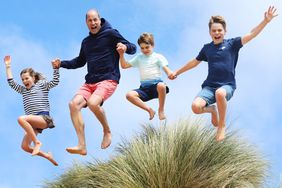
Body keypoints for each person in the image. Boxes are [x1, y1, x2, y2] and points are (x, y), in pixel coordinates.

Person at [169, 6, 278, 141]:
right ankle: (212, 110)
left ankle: (222, 125)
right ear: (210, 32)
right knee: (195, 107)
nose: (217, 32)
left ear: (225, 31)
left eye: (219, 30)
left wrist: (265, 21)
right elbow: (194, 62)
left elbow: (252, 33)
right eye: (214, 30)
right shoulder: (207, 48)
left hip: (227, 85)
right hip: (209, 87)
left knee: (220, 93)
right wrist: (177, 72)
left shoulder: (232, 44)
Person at [52, 9, 136, 155]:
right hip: (90, 82)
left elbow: (133, 48)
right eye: (90, 20)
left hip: (108, 78)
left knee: (93, 103)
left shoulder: (110, 34)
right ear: (86, 23)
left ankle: (107, 131)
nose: (93, 23)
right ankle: (82, 146)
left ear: (99, 20)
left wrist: (124, 47)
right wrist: (61, 64)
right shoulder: (86, 42)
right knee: (73, 105)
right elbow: (79, 62)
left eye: (95, 20)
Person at [4, 55, 60, 166]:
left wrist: (56, 69)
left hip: (44, 118)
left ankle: (37, 142)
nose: (24, 81)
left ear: (33, 78)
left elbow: (55, 82)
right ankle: (47, 155)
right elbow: (11, 82)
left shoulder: (41, 85)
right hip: (34, 123)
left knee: (21, 119)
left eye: (27, 78)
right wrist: (8, 66)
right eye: (23, 79)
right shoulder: (23, 90)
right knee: (24, 146)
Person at [118, 32, 173, 120]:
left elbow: (166, 68)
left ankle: (161, 110)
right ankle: (149, 110)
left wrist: (170, 74)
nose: (144, 50)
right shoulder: (139, 57)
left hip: (156, 87)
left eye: (147, 47)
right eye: (142, 48)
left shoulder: (158, 56)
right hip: (144, 89)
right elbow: (124, 66)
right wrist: (121, 54)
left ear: (152, 45)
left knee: (162, 85)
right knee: (129, 95)